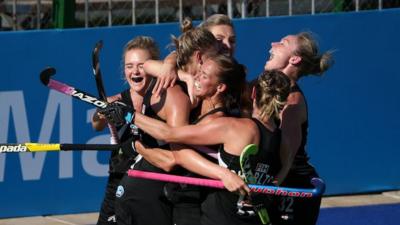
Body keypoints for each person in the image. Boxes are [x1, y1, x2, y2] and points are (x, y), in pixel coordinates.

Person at [101, 69, 291, 225]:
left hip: (220, 218)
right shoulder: (283, 138)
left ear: (254, 94)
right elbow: (281, 173)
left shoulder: (238, 127)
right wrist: (264, 189)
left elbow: (169, 134)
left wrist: (129, 115)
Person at [264, 32, 333, 225]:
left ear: (294, 59)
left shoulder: (292, 101)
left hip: (293, 184)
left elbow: (287, 158)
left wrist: (270, 189)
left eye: (282, 43)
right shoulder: (265, 89)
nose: (273, 42)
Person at [91, 36, 160, 225]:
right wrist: (102, 112)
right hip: (118, 180)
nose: (135, 71)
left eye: (141, 65)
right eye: (129, 66)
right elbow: (96, 124)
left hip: (152, 183)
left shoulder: (165, 101)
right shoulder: (116, 101)